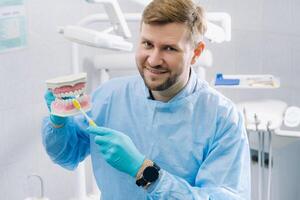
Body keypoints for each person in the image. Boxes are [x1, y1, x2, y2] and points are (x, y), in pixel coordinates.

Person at [42, 0, 251, 199]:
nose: (153, 59)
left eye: (169, 48)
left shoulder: (222, 118)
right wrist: (58, 123)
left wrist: (145, 171)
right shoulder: (109, 96)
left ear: (195, 53)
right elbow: (66, 154)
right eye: (147, 44)